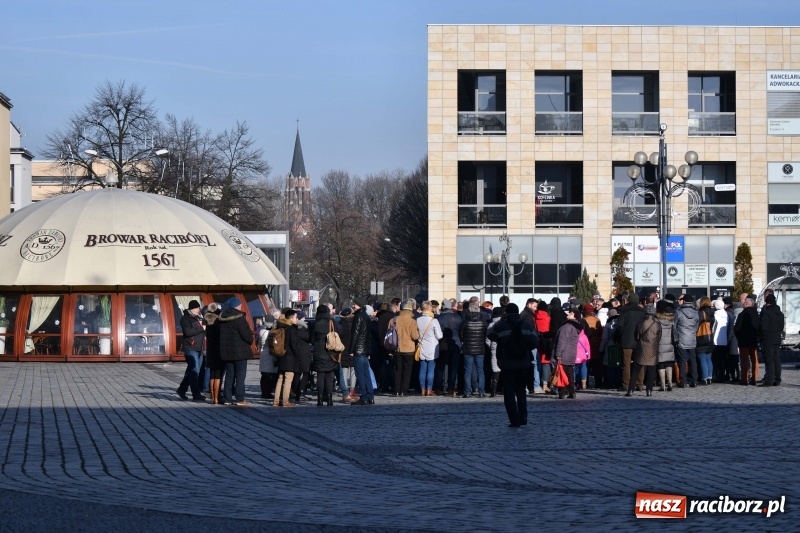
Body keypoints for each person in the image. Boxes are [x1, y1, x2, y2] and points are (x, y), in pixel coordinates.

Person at [488, 303, 538, 427]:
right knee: (521, 391)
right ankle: (523, 417)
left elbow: (490, 334)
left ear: (506, 312)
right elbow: (534, 341)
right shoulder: (525, 325)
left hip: (507, 363)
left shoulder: (501, 325)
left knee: (509, 393)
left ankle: (514, 420)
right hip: (523, 362)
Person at [219, 297, 254, 406]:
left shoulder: (222, 318)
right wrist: (250, 339)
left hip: (227, 352)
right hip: (240, 352)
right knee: (240, 375)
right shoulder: (239, 318)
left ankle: (227, 398)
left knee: (229, 375)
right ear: (237, 306)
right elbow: (247, 335)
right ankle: (240, 398)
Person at [626, 304, 661, 397]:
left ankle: (630, 390)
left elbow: (636, 336)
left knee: (636, 370)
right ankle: (649, 390)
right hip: (653, 348)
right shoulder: (657, 324)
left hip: (641, 347)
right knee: (651, 370)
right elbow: (659, 337)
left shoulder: (641, 323)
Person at [177, 299, 206, 402]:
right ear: (194, 308)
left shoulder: (199, 318)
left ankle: (181, 389)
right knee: (194, 371)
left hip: (200, 348)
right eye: (198, 308)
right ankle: (196, 394)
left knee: (191, 371)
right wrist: (202, 328)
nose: (199, 310)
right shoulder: (185, 319)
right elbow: (188, 332)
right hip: (191, 348)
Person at [615, 294, 646, 392]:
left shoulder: (624, 310)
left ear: (628, 300)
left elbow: (619, 326)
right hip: (640, 340)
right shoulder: (643, 311)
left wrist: (620, 336)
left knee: (626, 364)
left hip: (626, 340)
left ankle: (626, 384)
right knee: (639, 363)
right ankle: (639, 383)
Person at [553, 306, 583, 399]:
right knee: (569, 374)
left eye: (571, 313)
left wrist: (558, 354)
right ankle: (572, 392)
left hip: (564, 353)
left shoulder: (567, 326)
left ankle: (562, 393)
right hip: (571, 354)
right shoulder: (575, 327)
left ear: (575, 316)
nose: (568, 314)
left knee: (562, 373)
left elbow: (562, 341)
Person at [349, 297, 375, 405]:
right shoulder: (366, 317)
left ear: (358, 305)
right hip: (365, 350)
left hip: (358, 350)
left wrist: (351, 349)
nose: (352, 306)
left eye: (354, 304)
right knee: (366, 374)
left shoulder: (358, 317)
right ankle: (370, 397)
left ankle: (363, 397)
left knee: (360, 374)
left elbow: (355, 335)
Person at [313, 305, 340, 406]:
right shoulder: (331, 322)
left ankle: (319, 400)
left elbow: (311, 339)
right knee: (329, 375)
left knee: (320, 376)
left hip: (318, 350)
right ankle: (329, 399)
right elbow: (338, 333)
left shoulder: (315, 323)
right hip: (330, 350)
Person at [460, 301, 487, 398]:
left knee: (468, 370)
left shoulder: (465, 322)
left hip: (468, 348)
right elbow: (485, 335)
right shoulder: (483, 322)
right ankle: (481, 391)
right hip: (480, 348)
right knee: (480, 370)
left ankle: (467, 392)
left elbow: (461, 336)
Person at [416, 300, 444, 396]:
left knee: (422, 369)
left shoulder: (418, 320)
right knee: (431, 369)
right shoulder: (434, 320)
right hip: (432, 347)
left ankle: (422, 389)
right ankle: (429, 389)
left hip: (422, 346)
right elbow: (439, 336)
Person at [437, 299, 462, 396]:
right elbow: (460, 331)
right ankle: (452, 388)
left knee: (440, 367)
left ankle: (438, 387)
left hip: (442, 344)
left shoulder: (438, 318)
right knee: (454, 367)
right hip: (455, 343)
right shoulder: (457, 317)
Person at [394, 298, 419, 396]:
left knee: (397, 370)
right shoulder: (412, 321)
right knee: (407, 371)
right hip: (408, 349)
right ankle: (404, 390)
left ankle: (396, 390)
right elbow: (415, 336)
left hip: (396, 347)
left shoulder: (394, 320)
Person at [758, 294, 785, 387]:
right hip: (777, 337)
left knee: (769, 359)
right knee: (776, 359)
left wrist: (761, 336)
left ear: (767, 302)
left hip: (768, 338)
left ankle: (769, 380)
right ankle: (777, 379)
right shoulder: (780, 313)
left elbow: (763, 327)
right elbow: (782, 327)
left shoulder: (767, 313)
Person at [673, 294, 699, 388]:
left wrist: (676, 337)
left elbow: (674, 326)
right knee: (693, 360)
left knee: (682, 360)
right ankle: (694, 380)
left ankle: (683, 381)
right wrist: (692, 333)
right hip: (692, 338)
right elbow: (697, 326)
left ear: (683, 301)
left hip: (681, 338)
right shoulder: (696, 312)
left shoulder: (678, 312)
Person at [734, 294, 759, 385]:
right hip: (753, 340)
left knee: (744, 360)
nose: (743, 304)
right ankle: (754, 378)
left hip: (743, 341)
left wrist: (739, 337)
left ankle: (744, 378)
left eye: (745, 303)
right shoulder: (756, 314)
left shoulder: (742, 314)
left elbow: (737, 328)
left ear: (748, 304)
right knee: (754, 359)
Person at [203, 303, 225, 404]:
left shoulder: (207, 320)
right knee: (218, 374)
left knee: (212, 374)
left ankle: (213, 398)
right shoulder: (219, 320)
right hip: (219, 349)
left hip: (210, 350)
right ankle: (217, 397)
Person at [290, 312, 313, 404]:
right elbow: (309, 339)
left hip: (295, 354)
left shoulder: (292, 329)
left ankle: (296, 392)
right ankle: (301, 392)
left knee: (297, 373)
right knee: (305, 373)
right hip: (303, 354)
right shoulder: (302, 330)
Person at [258, 311, 281, 399]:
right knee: (269, 375)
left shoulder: (261, 331)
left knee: (264, 375)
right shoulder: (270, 333)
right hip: (270, 354)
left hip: (263, 353)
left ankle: (264, 392)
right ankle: (267, 392)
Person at [655, 300, 675, 391]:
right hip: (670, 343)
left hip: (660, 343)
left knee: (661, 364)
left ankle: (663, 385)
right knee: (669, 363)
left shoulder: (656, 319)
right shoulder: (671, 318)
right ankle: (670, 383)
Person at [338, 308, 357, 401]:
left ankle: (345, 391)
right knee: (353, 371)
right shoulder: (353, 324)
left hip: (342, 350)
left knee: (344, 372)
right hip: (352, 350)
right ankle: (352, 390)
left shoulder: (340, 324)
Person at [695, 297, 715, 385]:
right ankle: (710, 377)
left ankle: (704, 378)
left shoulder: (700, 313)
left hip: (701, 337)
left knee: (702, 358)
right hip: (710, 336)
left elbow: (697, 324)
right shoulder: (712, 312)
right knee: (708, 359)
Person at [485, 306, 504, 397]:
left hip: (494, 347)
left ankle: (494, 391)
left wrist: (491, 347)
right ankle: (504, 388)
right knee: (505, 368)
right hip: (505, 348)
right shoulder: (505, 323)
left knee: (495, 368)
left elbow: (487, 340)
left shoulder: (491, 325)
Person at [711, 299, 730, 383]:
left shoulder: (715, 315)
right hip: (725, 340)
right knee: (723, 359)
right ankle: (722, 374)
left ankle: (717, 375)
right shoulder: (726, 314)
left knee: (716, 360)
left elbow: (713, 328)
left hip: (716, 340)